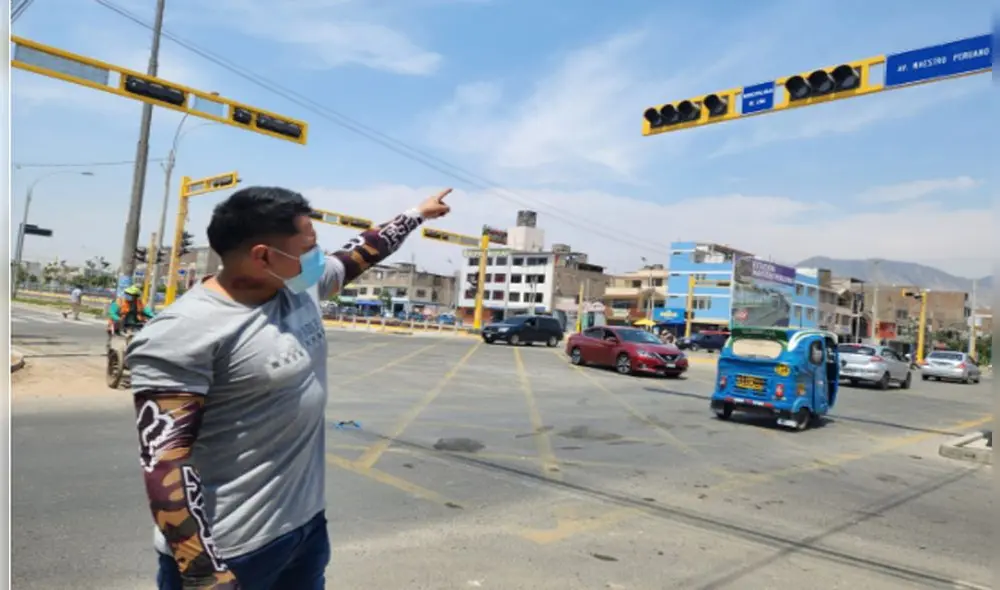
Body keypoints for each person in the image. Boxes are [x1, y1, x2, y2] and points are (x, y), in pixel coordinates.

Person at [125, 185, 452, 590]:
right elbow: (164, 461)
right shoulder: (182, 333)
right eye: (308, 247)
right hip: (230, 550)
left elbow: (362, 251)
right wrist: (202, 572)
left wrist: (417, 214)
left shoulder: (299, 286)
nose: (318, 257)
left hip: (304, 530)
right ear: (263, 256)